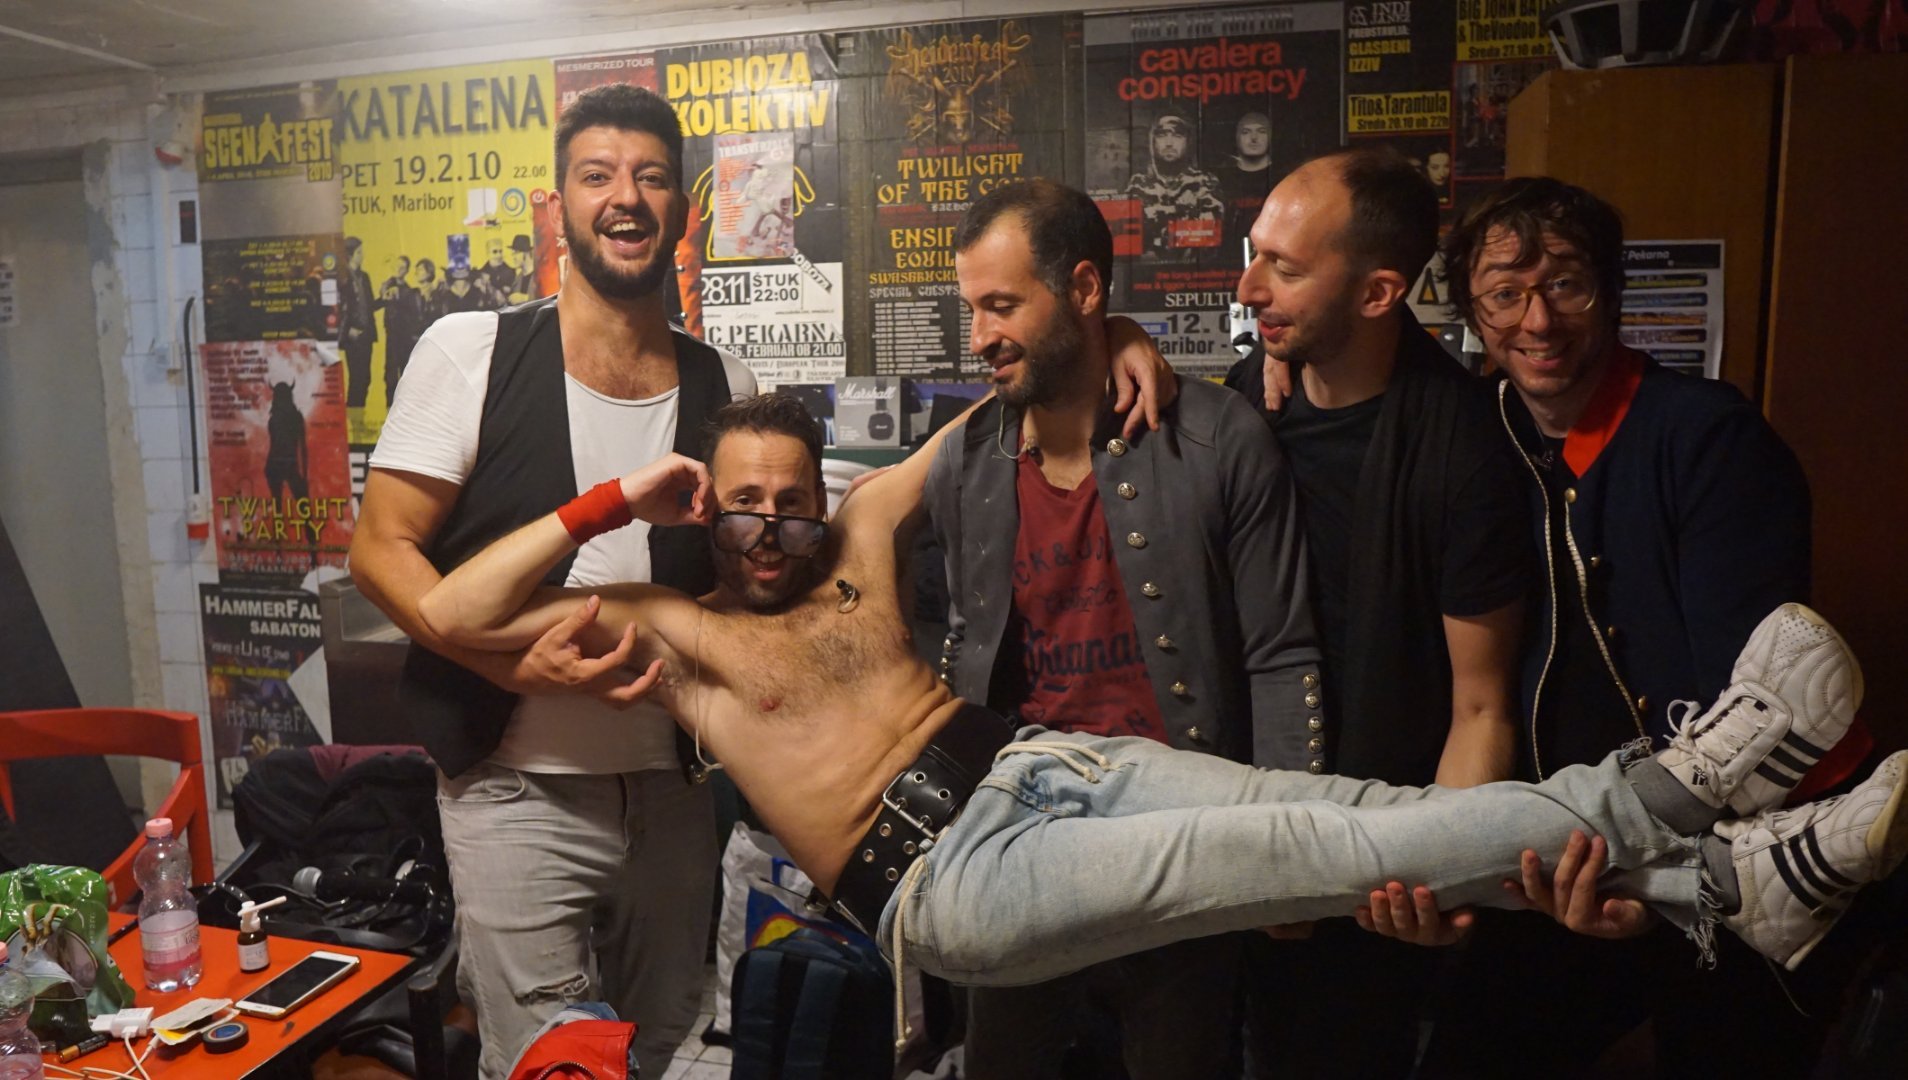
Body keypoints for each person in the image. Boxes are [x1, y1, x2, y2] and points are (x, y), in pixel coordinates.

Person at [413, 390, 1903, 1055]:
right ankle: (1670, 797)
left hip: (1038, 761)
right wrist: (611, 500)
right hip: (950, 878)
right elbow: (452, 614)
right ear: (704, 506)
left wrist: (1117, 330)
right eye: (738, 502)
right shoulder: (676, 632)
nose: (765, 526)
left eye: (787, 500)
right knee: (1322, 847)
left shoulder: (860, 536)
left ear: (821, 495)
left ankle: (1727, 889)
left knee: (1369, 812)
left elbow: (1013, 385)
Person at [348, 83, 756, 1079]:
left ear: (681, 209)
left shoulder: (726, 384)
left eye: (651, 177)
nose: (626, 198)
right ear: (560, 204)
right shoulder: (472, 352)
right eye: (598, 175)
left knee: (663, 1047)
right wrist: (505, 661)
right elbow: (380, 552)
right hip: (513, 790)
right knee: (547, 1062)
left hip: (673, 795)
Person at [1402, 175, 1831, 1077]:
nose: (1538, 321)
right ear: (1473, 315)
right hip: (1553, 857)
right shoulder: (1476, 433)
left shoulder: (1706, 437)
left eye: (1566, 284)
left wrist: (1666, 883)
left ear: (1611, 291)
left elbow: (1762, 707)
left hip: (1719, 862)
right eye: (1505, 293)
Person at [924, 180, 1319, 1078]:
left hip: (1181, 833)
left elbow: (1280, 653)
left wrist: (1293, 843)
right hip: (1020, 840)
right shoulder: (963, 462)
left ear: (1085, 289)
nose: (979, 334)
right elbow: (957, 643)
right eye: (971, 308)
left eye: (1002, 305)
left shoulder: (1218, 439)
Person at [1223, 146, 1529, 1077]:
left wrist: (1440, 871)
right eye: (1254, 253)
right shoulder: (1243, 406)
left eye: (1285, 268)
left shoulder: (1465, 449)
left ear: (1377, 293)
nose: (1248, 287)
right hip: (1231, 827)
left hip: (1375, 858)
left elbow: (1481, 706)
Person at [1126, 111, 1224, 261]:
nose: (1169, 143)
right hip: (1147, 271)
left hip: (1192, 271)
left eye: (1178, 135)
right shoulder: (1138, 184)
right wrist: (1185, 216)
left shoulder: (1205, 182)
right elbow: (1131, 240)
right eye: (1162, 135)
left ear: (1188, 141)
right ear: (1152, 141)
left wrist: (1159, 228)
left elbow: (1208, 238)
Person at [1215, 111, 1275, 255]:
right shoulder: (1219, 179)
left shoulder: (1284, 178)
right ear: (1237, 138)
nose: (1254, 138)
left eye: (1261, 131)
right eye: (1246, 132)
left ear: (1270, 137)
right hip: (1228, 257)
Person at [378, 255, 424, 409]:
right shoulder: (387, 285)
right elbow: (378, 300)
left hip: (405, 337)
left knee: (405, 372)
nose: (398, 269)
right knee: (390, 374)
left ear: (407, 271)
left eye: (402, 267)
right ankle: (390, 408)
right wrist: (385, 296)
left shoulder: (410, 291)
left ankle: (405, 408)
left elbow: (413, 314)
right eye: (397, 266)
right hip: (392, 336)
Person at [338, 236, 377, 411]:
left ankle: (357, 415)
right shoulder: (341, 278)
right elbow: (336, 308)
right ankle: (353, 417)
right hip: (353, 337)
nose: (363, 255)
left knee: (366, 379)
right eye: (359, 252)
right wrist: (347, 331)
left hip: (366, 335)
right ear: (350, 255)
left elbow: (370, 305)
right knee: (357, 379)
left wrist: (384, 299)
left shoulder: (365, 277)